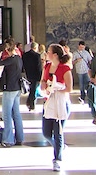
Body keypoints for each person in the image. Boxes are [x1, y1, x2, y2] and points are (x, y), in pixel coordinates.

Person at [40, 43, 73, 172]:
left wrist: (58, 88)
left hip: (61, 102)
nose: (46, 53)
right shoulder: (47, 66)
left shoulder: (65, 68)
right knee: (46, 133)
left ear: (55, 55)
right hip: (49, 101)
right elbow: (43, 80)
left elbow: (69, 88)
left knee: (58, 132)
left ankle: (57, 159)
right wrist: (44, 85)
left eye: (48, 51)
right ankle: (59, 146)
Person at [0, 39, 25, 147]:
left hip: (9, 89)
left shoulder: (11, 59)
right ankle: (19, 137)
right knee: (16, 114)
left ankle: (8, 139)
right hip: (17, 88)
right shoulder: (18, 59)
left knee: (7, 114)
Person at [23, 42, 43, 111]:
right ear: (35, 48)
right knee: (33, 90)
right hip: (36, 75)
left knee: (32, 89)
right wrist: (41, 76)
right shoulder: (37, 55)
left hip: (28, 74)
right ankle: (32, 105)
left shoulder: (25, 55)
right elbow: (39, 67)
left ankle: (29, 102)